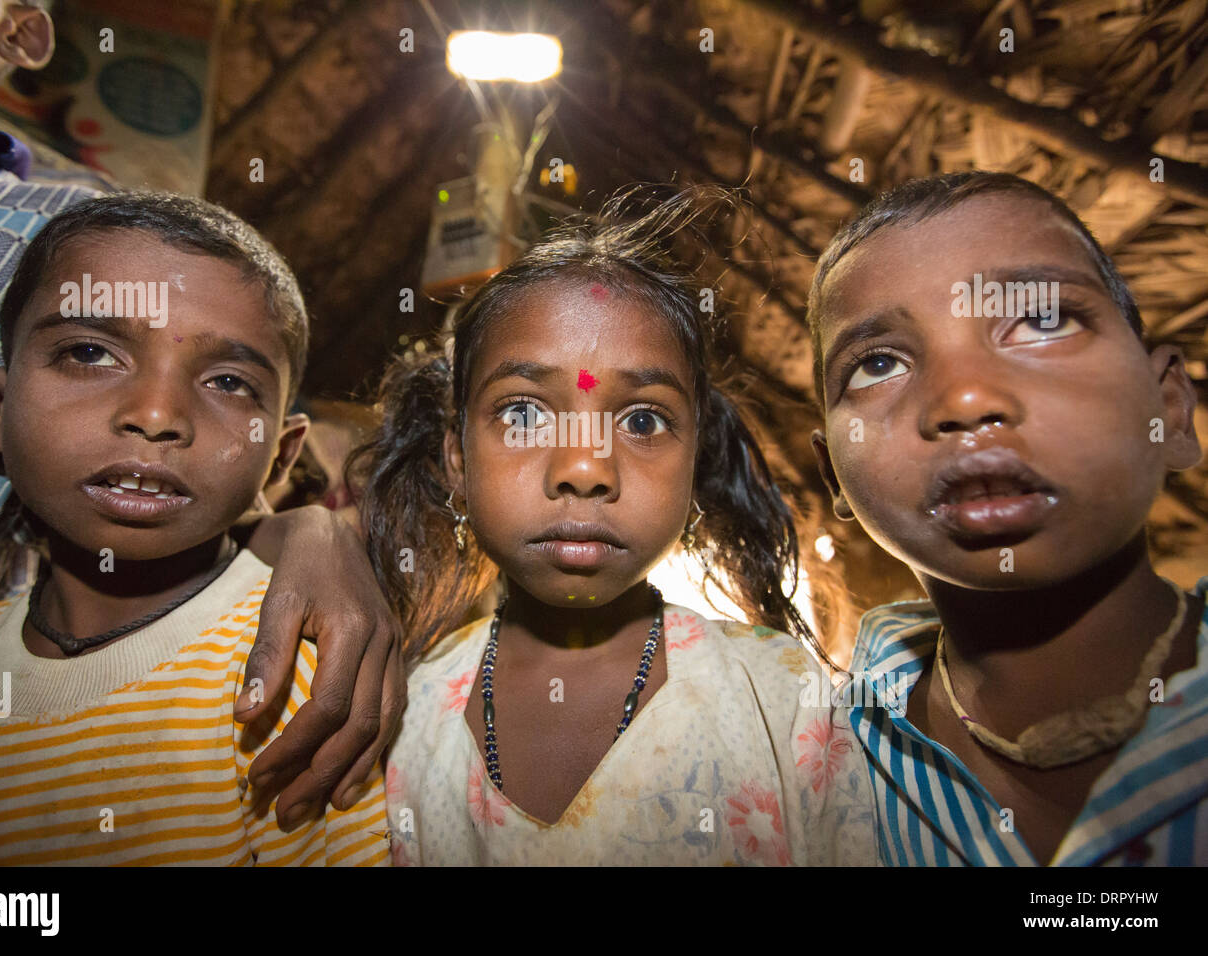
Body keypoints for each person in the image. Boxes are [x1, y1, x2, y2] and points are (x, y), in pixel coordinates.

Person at [0, 0, 403, 826]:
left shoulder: (278, 685)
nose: (155, 413)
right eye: (89, 354)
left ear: (21, 26)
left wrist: (307, 531)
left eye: (228, 381)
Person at [359, 190, 879, 865]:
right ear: (457, 459)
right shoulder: (401, 712)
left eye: (641, 420)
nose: (584, 467)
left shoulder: (780, 697)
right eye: (523, 415)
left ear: (694, 460)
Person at [807, 171, 1206, 865]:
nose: (964, 398)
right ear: (832, 478)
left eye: (1042, 321)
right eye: (878, 364)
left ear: (1169, 409)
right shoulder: (803, 777)